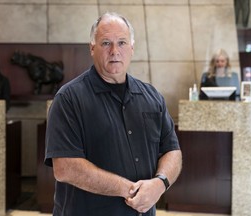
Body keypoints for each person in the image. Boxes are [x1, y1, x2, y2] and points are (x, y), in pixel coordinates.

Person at [45, 12, 182, 216]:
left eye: (122, 42)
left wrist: (160, 183)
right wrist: (131, 190)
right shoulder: (69, 99)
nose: (115, 51)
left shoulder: (152, 97)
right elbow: (65, 167)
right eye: (106, 43)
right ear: (92, 48)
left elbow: (173, 151)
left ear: (132, 48)